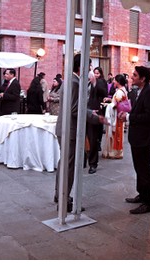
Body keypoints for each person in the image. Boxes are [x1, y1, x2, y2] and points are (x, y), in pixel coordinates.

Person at [54, 54, 104, 212]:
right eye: (89, 66)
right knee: (68, 166)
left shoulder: (70, 80)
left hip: (65, 128)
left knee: (64, 163)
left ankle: (60, 194)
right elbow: (75, 109)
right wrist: (94, 116)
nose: (90, 69)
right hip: (70, 130)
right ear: (80, 66)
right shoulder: (74, 82)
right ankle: (64, 199)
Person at [124, 66, 150, 215]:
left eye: (135, 75)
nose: (132, 77)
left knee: (144, 169)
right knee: (139, 168)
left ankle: (148, 202)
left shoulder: (149, 92)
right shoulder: (140, 91)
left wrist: (129, 117)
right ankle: (141, 194)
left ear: (142, 78)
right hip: (137, 136)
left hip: (144, 137)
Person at [86, 67, 109, 174]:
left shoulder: (100, 82)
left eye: (96, 73)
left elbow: (104, 92)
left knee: (93, 139)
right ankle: (82, 160)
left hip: (94, 112)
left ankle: (93, 163)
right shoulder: (82, 82)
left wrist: (95, 83)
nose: (94, 75)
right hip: (81, 113)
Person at [103, 74, 129, 159]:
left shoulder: (119, 92)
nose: (113, 81)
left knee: (115, 134)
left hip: (116, 117)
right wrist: (109, 100)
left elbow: (117, 104)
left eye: (114, 80)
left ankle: (115, 152)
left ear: (118, 82)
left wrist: (108, 105)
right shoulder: (122, 90)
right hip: (118, 115)